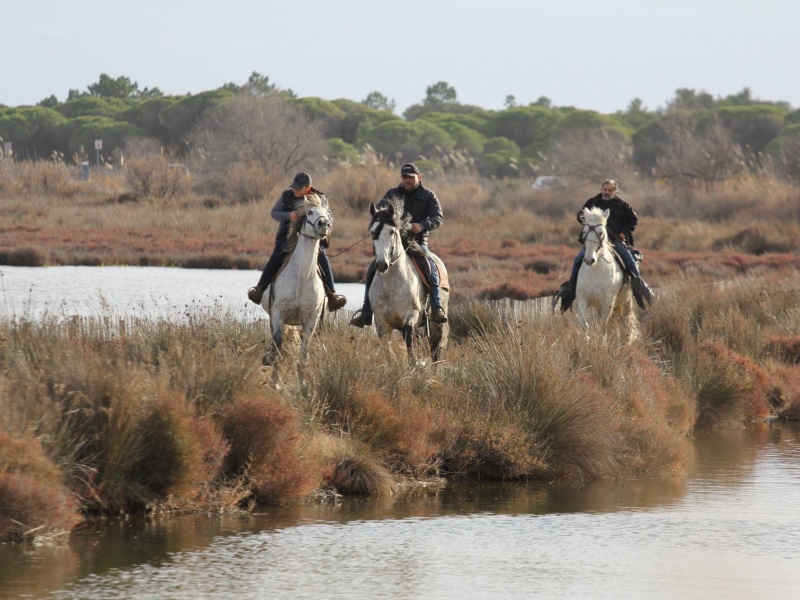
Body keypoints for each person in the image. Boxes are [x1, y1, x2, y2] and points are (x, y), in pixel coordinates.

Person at [350, 162, 447, 327]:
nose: (407, 180)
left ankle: (437, 307)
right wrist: (379, 216)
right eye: (404, 177)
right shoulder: (392, 193)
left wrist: (422, 225)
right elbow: (380, 209)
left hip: (417, 242)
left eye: (411, 177)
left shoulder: (428, 195)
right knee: (372, 269)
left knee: (430, 265)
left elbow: (438, 217)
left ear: (418, 177)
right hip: (393, 241)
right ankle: (366, 312)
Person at [247, 172, 347, 311]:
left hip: (313, 239)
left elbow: (329, 217)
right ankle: (259, 289)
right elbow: (274, 213)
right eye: (294, 186)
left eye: (298, 187)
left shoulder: (321, 198)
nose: (294, 190)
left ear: (308, 187)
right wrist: (288, 216)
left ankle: (332, 296)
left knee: (323, 260)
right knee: (276, 257)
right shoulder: (286, 195)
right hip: (288, 236)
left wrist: (324, 228)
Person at [558, 179, 653, 311]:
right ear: (601, 189)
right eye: (605, 189)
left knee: (628, 258)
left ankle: (638, 286)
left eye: (610, 190)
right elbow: (580, 215)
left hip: (614, 241)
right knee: (577, 259)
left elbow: (633, 220)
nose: (606, 192)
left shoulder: (622, 205)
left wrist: (623, 233)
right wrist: (585, 218)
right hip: (594, 241)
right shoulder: (592, 202)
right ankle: (570, 289)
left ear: (615, 191)